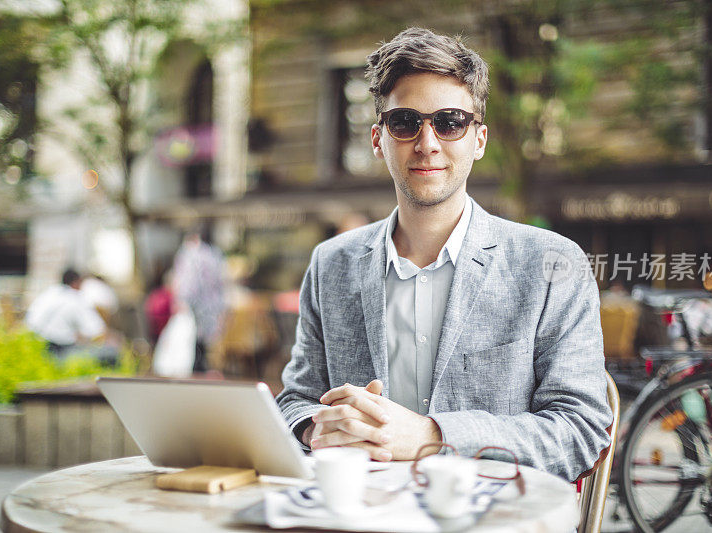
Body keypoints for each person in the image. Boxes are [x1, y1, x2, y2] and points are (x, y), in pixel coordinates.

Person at [276, 28, 612, 482]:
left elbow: (580, 431)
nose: (428, 142)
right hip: (358, 513)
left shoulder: (553, 264)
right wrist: (317, 429)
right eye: (405, 122)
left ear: (479, 139)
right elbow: (296, 398)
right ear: (378, 139)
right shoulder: (331, 263)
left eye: (450, 121)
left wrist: (433, 435)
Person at [172, 225, 225, 373]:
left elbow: (188, 285)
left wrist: (181, 301)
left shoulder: (191, 255)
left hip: (195, 308)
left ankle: (195, 373)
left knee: (192, 348)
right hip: (211, 308)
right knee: (203, 347)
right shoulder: (214, 254)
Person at [25, 268, 106, 356]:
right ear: (76, 282)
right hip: (61, 348)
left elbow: (31, 320)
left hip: (37, 343)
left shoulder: (49, 293)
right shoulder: (75, 298)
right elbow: (95, 329)